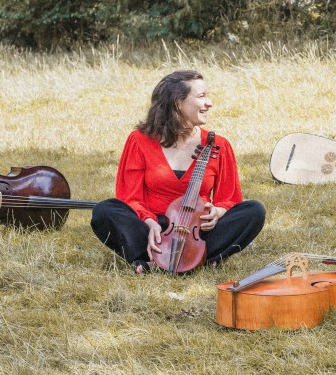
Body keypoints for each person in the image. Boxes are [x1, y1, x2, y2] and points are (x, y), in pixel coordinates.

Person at [91, 70, 265, 274]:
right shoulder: (139, 140)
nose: (209, 103)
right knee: (105, 210)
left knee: (254, 210)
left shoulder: (218, 145)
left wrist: (217, 213)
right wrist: (150, 223)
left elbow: (229, 199)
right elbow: (130, 198)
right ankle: (163, 258)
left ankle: (180, 260)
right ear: (178, 103)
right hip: (155, 227)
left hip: (197, 230)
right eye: (201, 96)